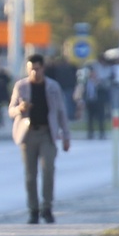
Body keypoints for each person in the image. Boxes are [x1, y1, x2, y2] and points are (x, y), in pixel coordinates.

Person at [9, 53, 71, 224]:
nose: (34, 73)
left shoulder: (52, 87)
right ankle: (33, 209)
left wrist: (66, 136)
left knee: (48, 170)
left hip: (47, 133)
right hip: (28, 134)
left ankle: (47, 207)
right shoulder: (21, 86)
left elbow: (61, 112)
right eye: (31, 70)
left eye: (37, 69)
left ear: (42, 68)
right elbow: (11, 110)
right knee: (30, 174)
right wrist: (20, 109)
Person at [75, 66, 109, 139]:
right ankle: (90, 133)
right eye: (91, 73)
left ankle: (102, 133)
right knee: (90, 119)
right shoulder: (86, 82)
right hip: (90, 102)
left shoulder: (100, 82)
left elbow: (104, 91)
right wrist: (82, 101)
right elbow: (84, 92)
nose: (92, 74)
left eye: (93, 73)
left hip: (99, 102)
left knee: (101, 118)